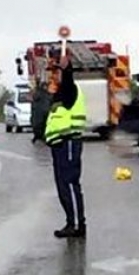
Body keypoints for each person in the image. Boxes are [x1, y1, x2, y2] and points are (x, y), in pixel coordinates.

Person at [45, 54, 87, 239]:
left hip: (69, 142)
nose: (53, 76)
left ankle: (78, 225)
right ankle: (71, 222)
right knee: (62, 185)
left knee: (70, 183)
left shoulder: (70, 90)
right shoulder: (58, 95)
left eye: (56, 73)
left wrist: (66, 68)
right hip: (58, 145)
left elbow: (68, 80)